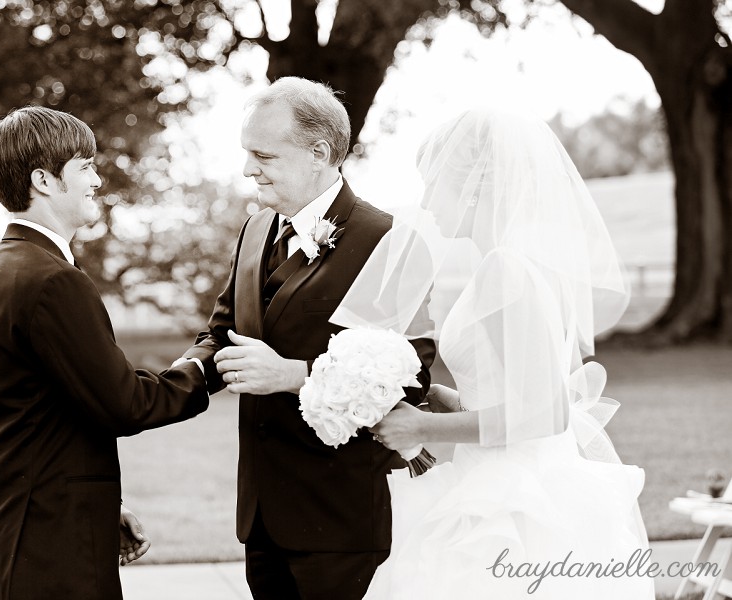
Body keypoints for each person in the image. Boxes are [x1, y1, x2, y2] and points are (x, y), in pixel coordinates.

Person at [330, 108, 654, 598]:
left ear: (474, 185)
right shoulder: (510, 265)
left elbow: (547, 411)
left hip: (511, 497)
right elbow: (519, 393)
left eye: (433, 181)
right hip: (501, 473)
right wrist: (449, 399)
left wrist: (421, 428)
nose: (426, 198)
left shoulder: (507, 270)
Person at [182, 77, 437, 599]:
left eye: (263, 155)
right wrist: (176, 379)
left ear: (319, 153)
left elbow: (413, 373)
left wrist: (294, 375)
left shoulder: (391, 241)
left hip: (339, 516)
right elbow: (221, 332)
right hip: (261, 517)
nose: (248, 169)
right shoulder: (255, 229)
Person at [0, 106, 209, 600]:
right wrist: (204, 369)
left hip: (25, 529)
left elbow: (48, 412)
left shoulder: (2, 270)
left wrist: (100, 504)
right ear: (44, 180)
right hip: (51, 549)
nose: (97, 179)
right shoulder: (53, 281)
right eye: (85, 166)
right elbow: (124, 402)